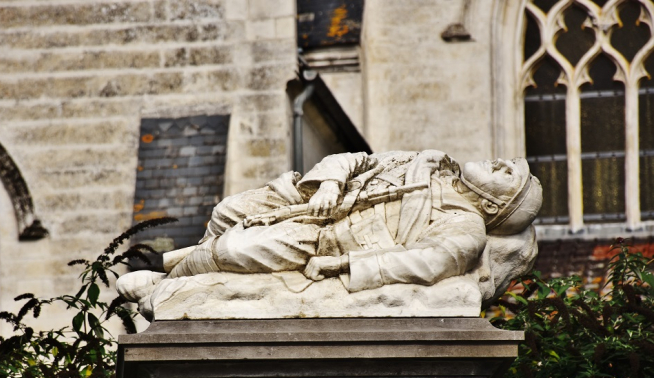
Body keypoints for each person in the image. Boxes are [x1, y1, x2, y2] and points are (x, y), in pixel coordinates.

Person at [149, 149, 543, 294]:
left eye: (508, 175)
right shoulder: (426, 162)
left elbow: (430, 262)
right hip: (306, 199)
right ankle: (181, 271)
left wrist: (344, 263)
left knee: (236, 248)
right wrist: (329, 184)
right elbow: (356, 158)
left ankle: (167, 284)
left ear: (495, 206)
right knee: (226, 213)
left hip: (326, 242)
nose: (503, 162)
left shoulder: (464, 226)